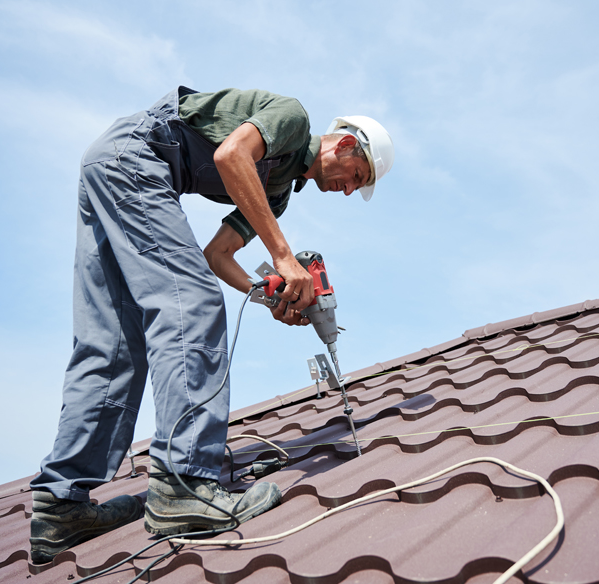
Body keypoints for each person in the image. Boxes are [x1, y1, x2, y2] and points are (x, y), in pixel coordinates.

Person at [28, 86, 394, 564]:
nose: (347, 190)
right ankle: (184, 484)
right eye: (356, 177)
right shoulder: (292, 118)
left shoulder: (277, 192)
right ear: (346, 146)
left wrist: (268, 296)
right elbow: (230, 154)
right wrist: (283, 256)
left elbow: (218, 256)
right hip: (135, 157)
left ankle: (60, 506)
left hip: (107, 164)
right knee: (192, 301)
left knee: (114, 342)